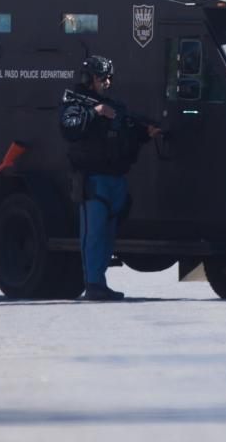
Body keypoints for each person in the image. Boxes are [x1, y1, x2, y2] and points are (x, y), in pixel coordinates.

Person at [60, 55, 159, 301]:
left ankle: (99, 281)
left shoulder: (112, 104)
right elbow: (69, 127)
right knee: (92, 234)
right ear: (89, 79)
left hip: (115, 178)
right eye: (101, 77)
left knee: (107, 235)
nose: (106, 81)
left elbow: (126, 129)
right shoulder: (78, 104)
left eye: (108, 77)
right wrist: (95, 112)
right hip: (93, 179)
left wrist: (146, 132)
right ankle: (93, 282)